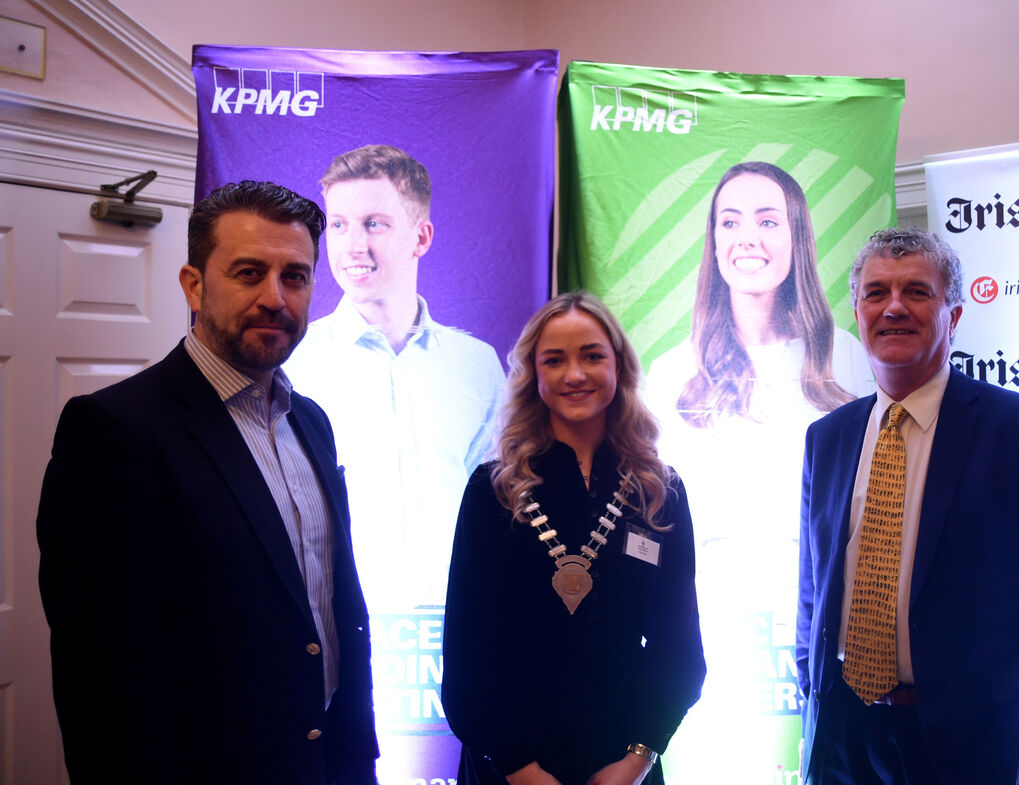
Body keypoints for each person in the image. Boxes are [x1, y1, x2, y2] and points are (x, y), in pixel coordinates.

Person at [37, 180, 379, 785]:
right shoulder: (115, 430)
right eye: (249, 273)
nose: (275, 298)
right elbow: (99, 676)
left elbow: (327, 607)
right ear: (194, 286)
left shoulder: (311, 423)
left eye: (295, 277)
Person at [795, 227, 1019, 785]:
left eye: (917, 291)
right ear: (858, 312)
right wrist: (811, 683)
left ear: (954, 316)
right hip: (841, 735)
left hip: (965, 744)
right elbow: (813, 583)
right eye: (876, 293)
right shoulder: (828, 436)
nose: (894, 307)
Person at [644, 161, 874, 779]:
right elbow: (650, 529)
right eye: (730, 221)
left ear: (797, 237)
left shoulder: (848, 362)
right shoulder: (671, 376)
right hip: (714, 652)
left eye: (768, 221)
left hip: (827, 643)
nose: (747, 237)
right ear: (713, 241)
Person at [442, 291, 705, 785]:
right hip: (507, 765)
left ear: (618, 366)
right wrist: (520, 769)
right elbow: (466, 656)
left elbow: (680, 652)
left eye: (592, 356)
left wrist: (636, 760)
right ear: (533, 374)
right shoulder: (492, 491)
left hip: (624, 763)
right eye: (555, 360)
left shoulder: (659, 493)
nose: (575, 374)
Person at [285, 144, 505, 611]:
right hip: (338, 622)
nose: (353, 246)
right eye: (338, 225)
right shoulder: (292, 365)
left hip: (459, 619)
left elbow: (503, 505)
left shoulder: (477, 365)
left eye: (374, 224)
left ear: (420, 237)